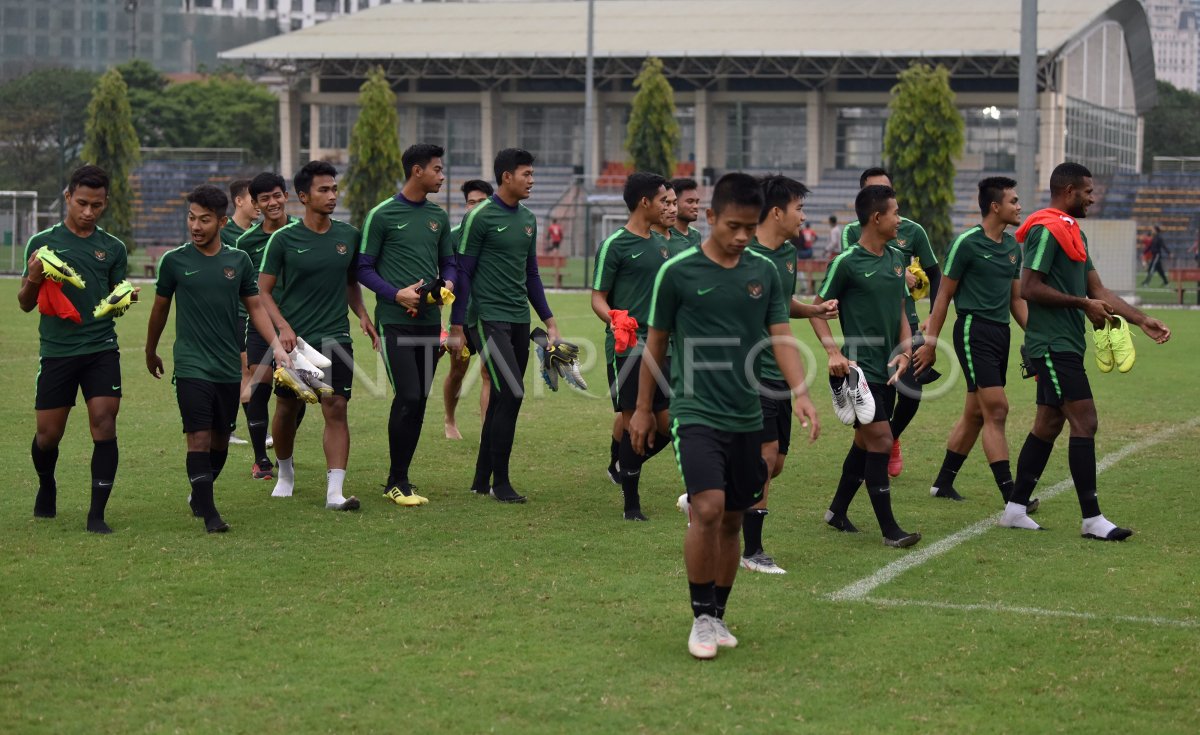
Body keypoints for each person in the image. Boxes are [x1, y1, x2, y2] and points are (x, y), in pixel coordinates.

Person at [630, 172, 819, 659]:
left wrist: (800, 392)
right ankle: (699, 619)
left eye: (749, 227)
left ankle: (718, 614)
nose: (740, 237)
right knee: (708, 508)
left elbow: (780, 335)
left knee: (734, 519)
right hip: (695, 411)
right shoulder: (678, 273)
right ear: (712, 216)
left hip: (746, 412)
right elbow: (655, 344)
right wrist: (644, 410)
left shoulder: (764, 272)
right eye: (733, 226)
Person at [999, 162, 1170, 539]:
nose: (1094, 198)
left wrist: (1142, 320)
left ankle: (1014, 508)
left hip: (1066, 345)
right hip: (1051, 346)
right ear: (1068, 191)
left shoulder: (1073, 232)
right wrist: (1082, 304)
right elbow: (1029, 287)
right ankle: (1092, 519)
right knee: (1085, 421)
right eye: (1088, 192)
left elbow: (1100, 292)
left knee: (1048, 424)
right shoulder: (1046, 230)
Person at [145, 184, 288, 533]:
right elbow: (159, 310)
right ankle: (210, 514)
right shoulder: (174, 261)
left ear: (222, 222)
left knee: (220, 440)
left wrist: (277, 346)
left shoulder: (238, 261)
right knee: (197, 438)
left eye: (204, 220)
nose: (195, 226)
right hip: (192, 364)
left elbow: (255, 308)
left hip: (227, 366)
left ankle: (200, 494)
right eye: (191, 218)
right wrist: (150, 350)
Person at [258, 160, 379, 511]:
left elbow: (350, 282)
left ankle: (334, 493)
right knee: (287, 407)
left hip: (335, 335)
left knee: (336, 406)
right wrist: (283, 328)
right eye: (323, 190)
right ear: (303, 196)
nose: (331, 196)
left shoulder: (348, 236)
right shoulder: (283, 239)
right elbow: (263, 292)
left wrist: (363, 316)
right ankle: (284, 474)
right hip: (295, 342)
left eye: (334, 189)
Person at [18, 164, 132, 534]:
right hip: (57, 350)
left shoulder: (112, 248)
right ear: (68, 197)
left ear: (105, 203)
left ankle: (96, 514)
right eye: (81, 203)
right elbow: (24, 303)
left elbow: (117, 294)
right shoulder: (42, 243)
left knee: (104, 422)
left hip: (100, 347)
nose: (88, 212)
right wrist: (34, 279)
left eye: (96, 205)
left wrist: (123, 300)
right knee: (48, 434)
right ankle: (46, 484)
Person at [446, 148, 560, 504]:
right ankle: (501, 482)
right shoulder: (479, 217)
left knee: (500, 395)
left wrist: (549, 320)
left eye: (532, 174)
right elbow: (462, 274)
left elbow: (531, 274)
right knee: (513, 392)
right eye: (526, 174)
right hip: (485, 319)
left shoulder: (528, 218)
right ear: (506, 176)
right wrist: (456, 326)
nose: (532, 180)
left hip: (517, 320)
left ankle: (482, 479)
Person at [811, 184, 921, 549]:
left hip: (889, 368)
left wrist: (905, 352)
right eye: (895, 212)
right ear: (877, 218)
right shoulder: (847, 262)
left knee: (865, 441)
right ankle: (890, 531)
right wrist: (832, 353)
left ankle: (836, 511)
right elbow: (817, 309)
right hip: (860, 371)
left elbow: (903, 310)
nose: (900, 218)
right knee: (883, 441)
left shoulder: (895, 258)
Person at [741, 175, 839, 574]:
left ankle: (705, 497)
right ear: (777, 211)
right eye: (799, 208)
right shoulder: (741, 255)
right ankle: (752, 551)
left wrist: (812, 310)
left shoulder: (786, 254)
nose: (804, 216)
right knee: (764, 460)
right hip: (748, 372)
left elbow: (780, 307)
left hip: (780, 369)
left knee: (775, 462)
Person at [914, 177, 1030, 508]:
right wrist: (930, 343)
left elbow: (1016, 300)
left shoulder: (1011, 247)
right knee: (997, 408)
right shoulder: (966, 243)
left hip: (1000, 333)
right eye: (1013, 201)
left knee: (975, 415)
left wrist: (1036, 334)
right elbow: (943, 296)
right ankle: (1013, 496)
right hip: (972, 331)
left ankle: (943, 484)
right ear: (996, 207)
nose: (1019, 207)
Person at [358, 143, 456, 506]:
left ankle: (400, 478)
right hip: (395, 322)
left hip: (430, 322)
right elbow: (363, 267)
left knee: (419, 401)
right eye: (437, 169)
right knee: (409, 396)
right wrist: (396, 294)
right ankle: (396, 480)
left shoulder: (438, 217)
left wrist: (447, 284)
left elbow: (449, 262)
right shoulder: (382, 215)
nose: (442, 176)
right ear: (417, 171)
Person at [841, 167, 940, 478]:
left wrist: (932, 319)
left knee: (911, 394)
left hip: (905, 324)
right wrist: (895, 274)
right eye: (874, 192)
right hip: (868, 332)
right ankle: (877, 451)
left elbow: (936, 275)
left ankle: (890, 439)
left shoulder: (912, 231)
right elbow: (856, 272)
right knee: (878, 401)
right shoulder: (851, 233)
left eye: (887, 191)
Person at [591, 171, 678, 520]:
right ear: (645, 202)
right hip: (627, 348)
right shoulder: (615, 245)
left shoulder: (664, 243)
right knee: (633, 423)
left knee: (670, 426)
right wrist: (613, 317)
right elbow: (597, 297)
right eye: (663, 201)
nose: (668, 207)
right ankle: (631, 504)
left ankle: (621, 466)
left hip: (662, 347)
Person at [234, 172, 299, 480]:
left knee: (297, 395)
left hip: (299, 328)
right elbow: (243, 290)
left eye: (277, 195)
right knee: (259, 390)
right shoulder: (246, 242)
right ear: (256, 205)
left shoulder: (302, 232)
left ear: (286, 196)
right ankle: (261, 458)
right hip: (261, 329)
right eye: (264, 199)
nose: (272, 202)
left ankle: (285, 447)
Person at [442, 179, 495, 440]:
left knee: (488, 373)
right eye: (471, 202)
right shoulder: (452, 237)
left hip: (488, 317)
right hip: (460, 318)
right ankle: (450, 420)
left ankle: (487, 431)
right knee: (457, 371)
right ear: (465, 206)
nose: (475, 207)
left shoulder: (496, 236)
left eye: (481, 202)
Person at [222, 178, 259, 447]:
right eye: (253, 200)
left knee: (245, 370)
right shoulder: (223, 233)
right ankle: (256, 430)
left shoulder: (259, 234)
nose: (259, 206)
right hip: (232, 313)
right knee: (245, 369)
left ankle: (230, 428)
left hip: (256, 314)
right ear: (239, 201)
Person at [670, 177, 703, 247]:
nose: (695, 206)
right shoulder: (665, 235)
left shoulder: (696, 235)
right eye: (690, 201)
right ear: (674, 203)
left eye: (697, 202)